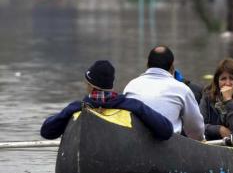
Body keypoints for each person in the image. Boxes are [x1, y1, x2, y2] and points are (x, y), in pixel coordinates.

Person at [41, 60, 173, 140]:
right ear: (111, 85)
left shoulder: (75, 108)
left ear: (90, 86)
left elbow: (46, 132)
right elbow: (166, 131)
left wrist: (67, 112)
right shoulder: (133, 106)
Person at [124, 46, 205, 141]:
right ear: (172, 66)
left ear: (147, 64)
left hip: (134, 144)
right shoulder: (182, 89)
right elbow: (196, 130)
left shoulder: (131, 85)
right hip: (169, 148)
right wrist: (201, 140)